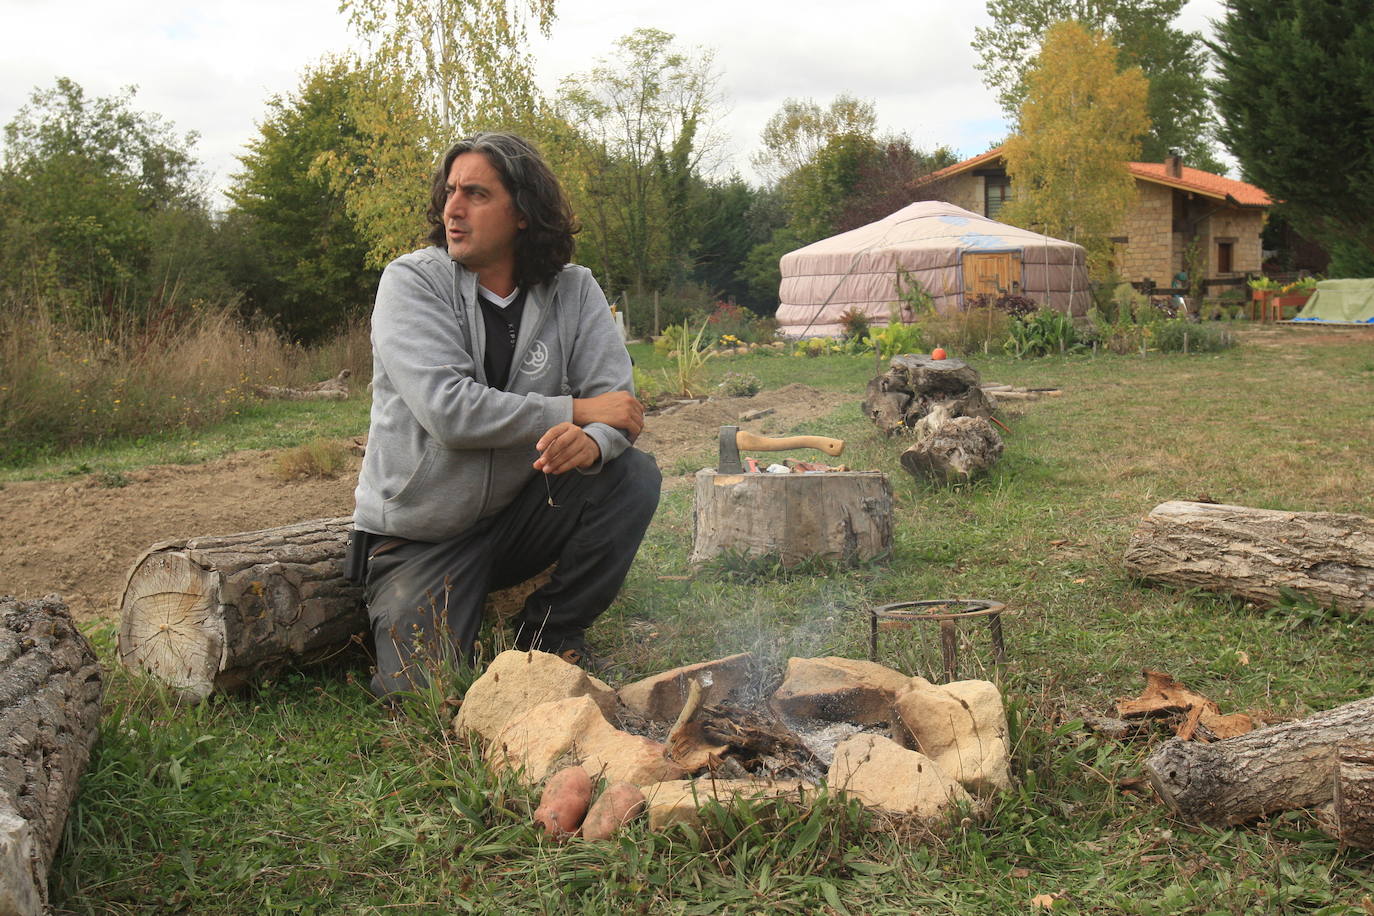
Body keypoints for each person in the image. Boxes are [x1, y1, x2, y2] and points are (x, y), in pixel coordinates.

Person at [348, 132, 660, 699]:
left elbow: (620, 405)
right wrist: (578, 410)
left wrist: (592, 442)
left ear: (522, 212)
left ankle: (550, 631)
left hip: (519, 514)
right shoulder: (412, 281)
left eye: (476, 194)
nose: (453, 209)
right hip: (423, 535)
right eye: (449, 193)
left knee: (631, 475)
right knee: (421, 694)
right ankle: (418, 609)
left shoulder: (574, 288)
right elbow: (450, 411)